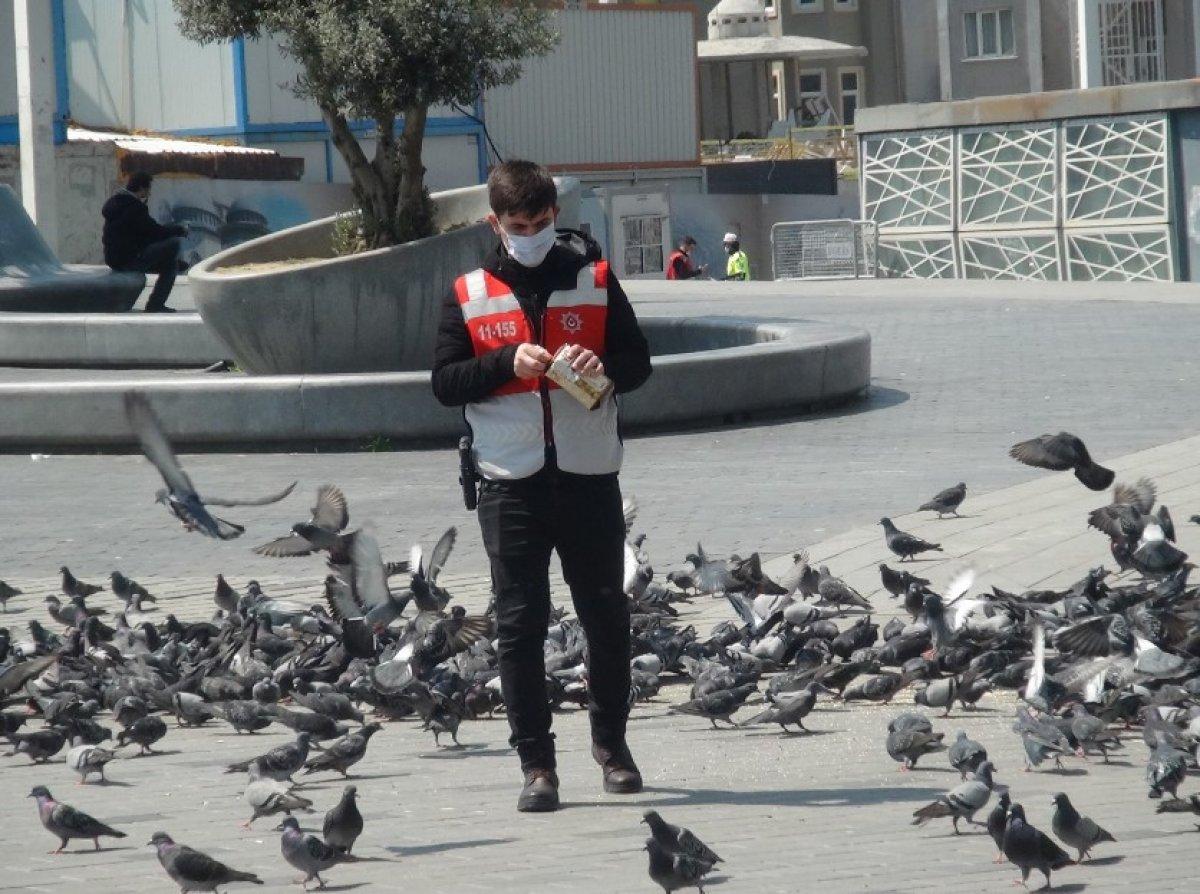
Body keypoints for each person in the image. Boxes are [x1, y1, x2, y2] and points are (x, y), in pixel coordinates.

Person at [432, 160, 652, 814]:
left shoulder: (595, 277)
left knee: (606, 616)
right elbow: (444, 383)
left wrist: (602, 368)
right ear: (493, 223)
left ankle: (612, 749)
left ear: (555, 216)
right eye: (517, 225)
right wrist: (505, 362)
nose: (530, 235)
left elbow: (638, 364)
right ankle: (536, 766)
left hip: (588, 475)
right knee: (520, 627)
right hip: (509, 481)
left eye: (540, 223)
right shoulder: (468, 292)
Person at [101, 171, 188, 312]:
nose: (149, 193)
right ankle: (155, 304)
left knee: (170, 265)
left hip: (114, 259)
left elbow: (141, 233)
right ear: (141, 188)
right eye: (148, 189)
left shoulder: (115, 203)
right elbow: (154, 232)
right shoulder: (134, 208)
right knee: (174, 244)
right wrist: (179, 230)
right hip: (129, 260)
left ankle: (157, 301)